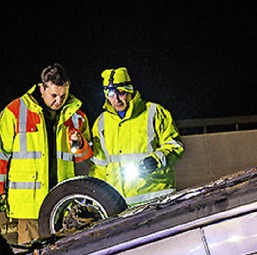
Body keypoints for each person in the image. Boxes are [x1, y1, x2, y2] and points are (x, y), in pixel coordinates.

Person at [0, 63, 93, 244]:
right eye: (54, 95)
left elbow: (87, 160)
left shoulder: (76, 116)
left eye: (63, 95)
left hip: (63, 206)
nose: (58, 101)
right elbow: (1, 155)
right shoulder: (15, 112)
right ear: (42, 88)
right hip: (29, 209)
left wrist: (81, 144)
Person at [89, 67, 184, 206]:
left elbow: (175, 146)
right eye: (110, 94)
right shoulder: (101, 123)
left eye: (121, 93)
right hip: (120, 205)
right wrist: (94, 197)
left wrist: (156, 159)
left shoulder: (154, 112)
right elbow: (99, 166)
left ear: (130, 90)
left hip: (156, 200)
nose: (116, 100)